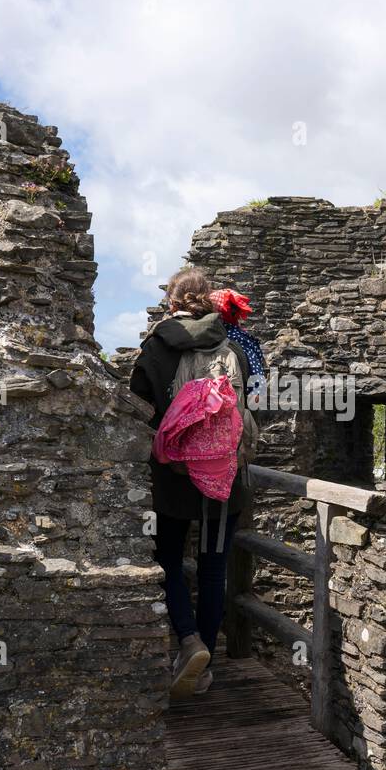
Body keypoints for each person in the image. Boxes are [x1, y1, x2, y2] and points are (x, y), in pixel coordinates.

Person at [130, 268, 255, 698]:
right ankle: (205, 668)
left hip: (174, 477)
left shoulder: (156, 347)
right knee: (214, 566)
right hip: (225, 476)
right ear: (212, 301)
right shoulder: (235, 348)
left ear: (172, 302)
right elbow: (250, 404)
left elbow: (137, 408)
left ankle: (189, 641)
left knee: (167, 556)